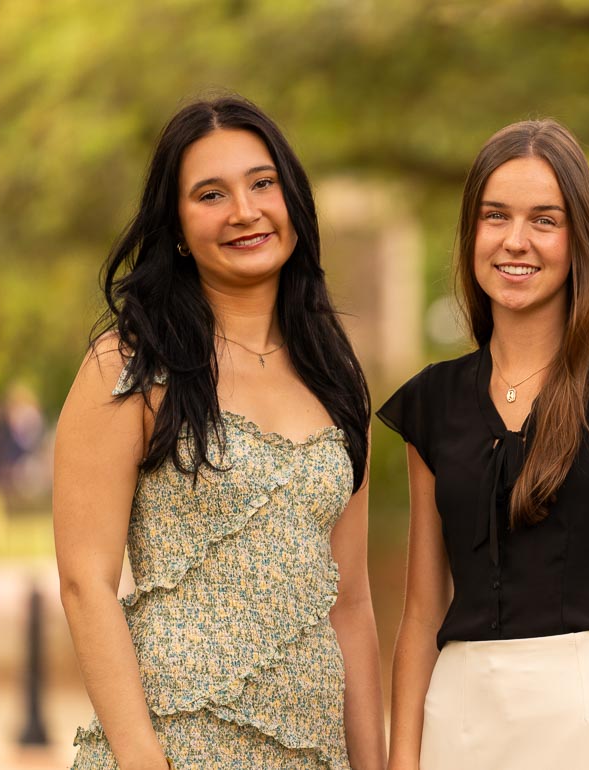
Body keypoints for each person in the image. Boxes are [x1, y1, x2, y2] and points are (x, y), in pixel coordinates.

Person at [54, 95, 386, 770]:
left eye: (262, 183)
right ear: (176, 226)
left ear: (292, 199)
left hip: (312, 753)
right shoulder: (129, 365)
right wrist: (143, 759)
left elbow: (350, 602)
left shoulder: (336, 374)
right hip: (176, 746)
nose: (244, 211)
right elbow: (86, 582)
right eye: (210, 194)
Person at [379, 119, 589, 770]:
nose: (515, 241)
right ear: (471, 232)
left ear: (578, 237)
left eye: (544, 220)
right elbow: (421, 615)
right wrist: (403, 761)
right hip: (459, 725)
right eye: (495, 216)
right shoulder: (432, 402)